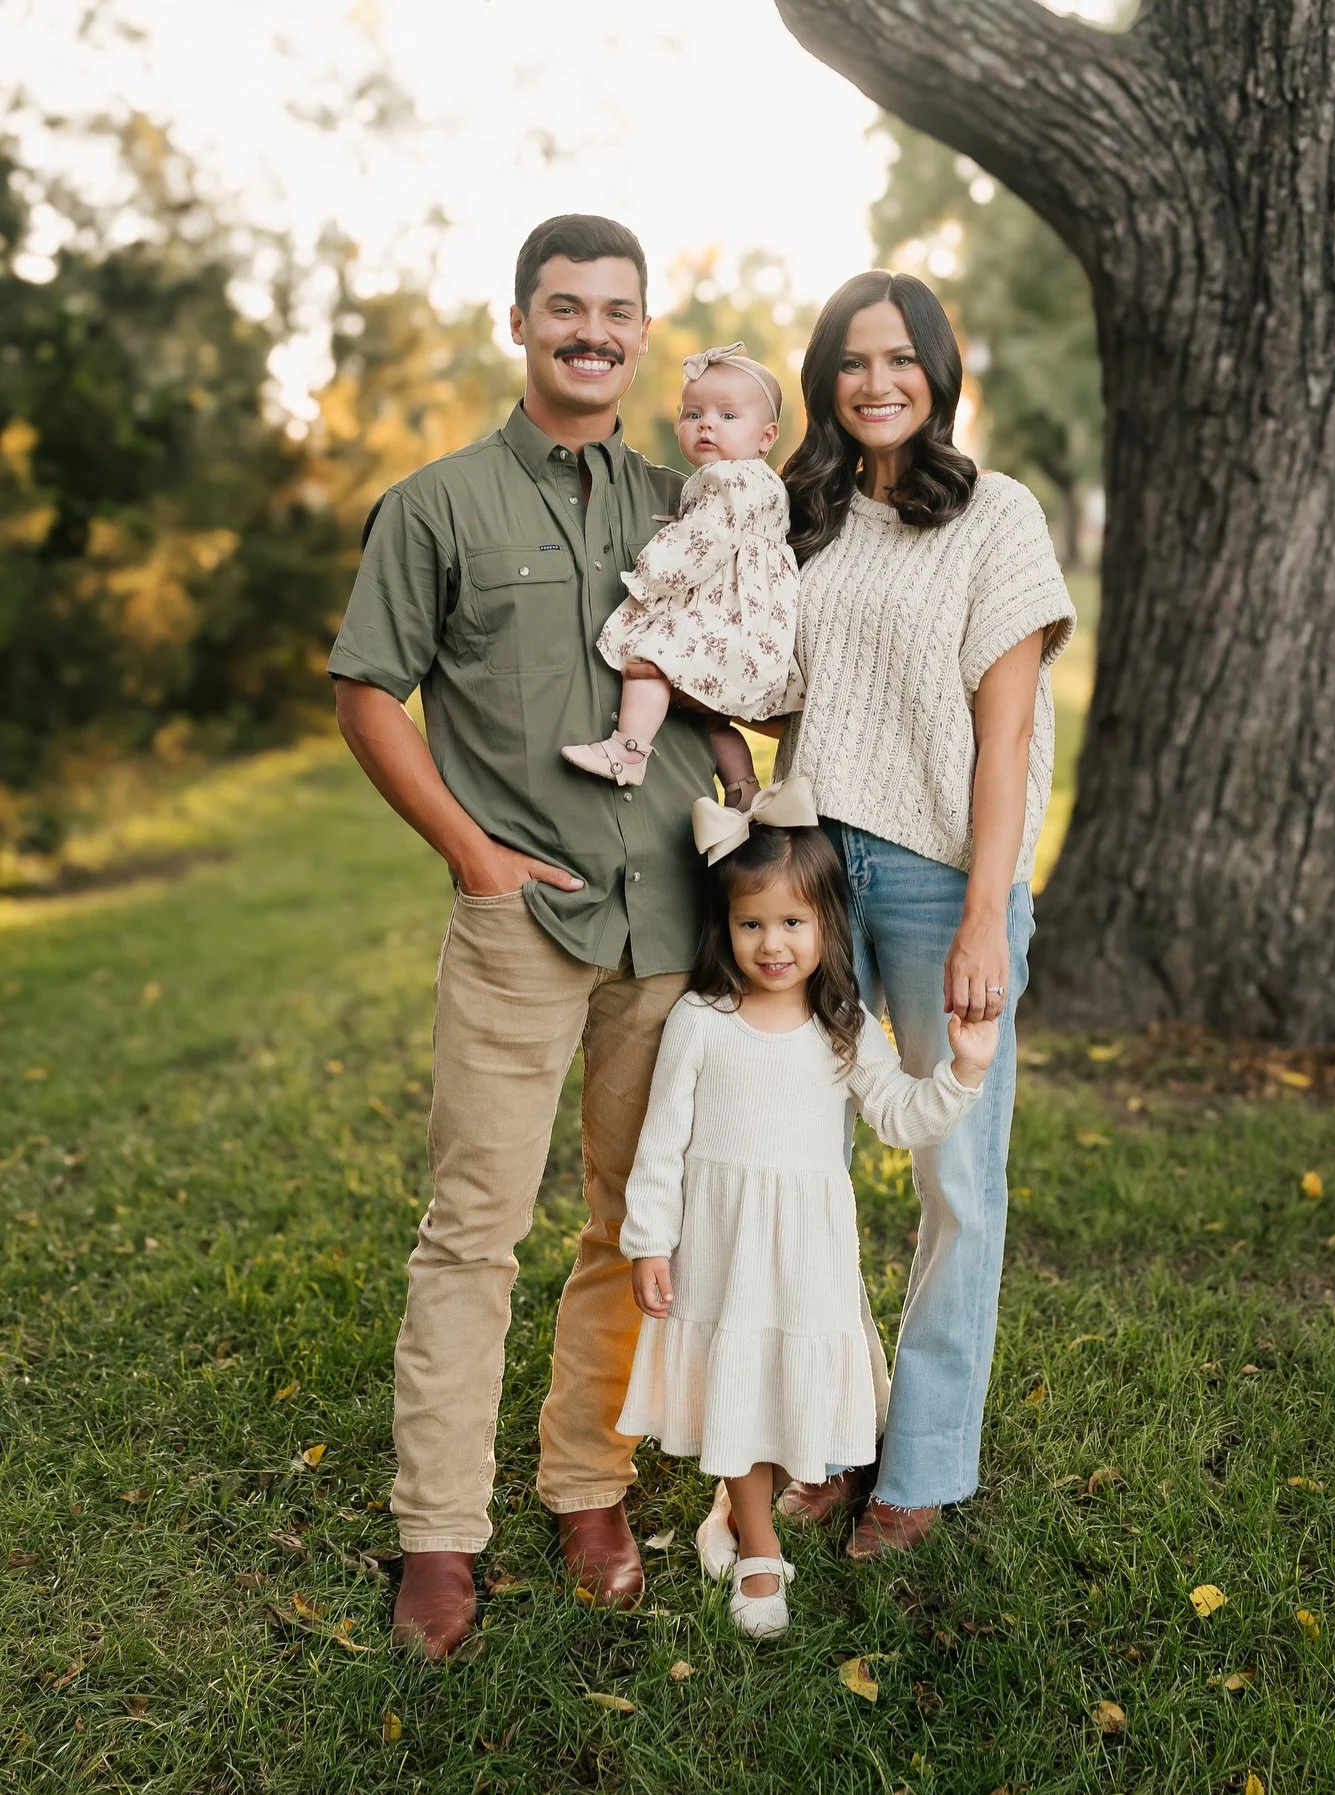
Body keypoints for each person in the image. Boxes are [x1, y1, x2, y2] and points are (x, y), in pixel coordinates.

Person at [327, 214, 717, 1659]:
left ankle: (588, 1483)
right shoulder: (434, 506)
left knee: (631, 1220)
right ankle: (440, 1531)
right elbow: (371, 691)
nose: (592, 332)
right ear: (520, 322)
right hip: (521, 924)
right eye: (566, 308)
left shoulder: (693, 505)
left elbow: (742, 646)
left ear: (643, 327)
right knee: (472, 1232)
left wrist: (729, 749)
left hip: (669, 916)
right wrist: (475, 854)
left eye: (618, 310)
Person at [772, 270, 1076, 1556]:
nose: (877, 380)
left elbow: (1002, 738)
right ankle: (835, 1436)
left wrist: (982, 917)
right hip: (810, 877)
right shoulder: (806, 515)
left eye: (901, 358)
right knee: (807, 1169)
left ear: (940, 372)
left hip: (944, 878)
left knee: (958, 1176)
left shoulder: (997, 516)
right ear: (825, 380)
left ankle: (927, 1461)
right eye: (852, 360)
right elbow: (777, 694)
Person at [615, 781, 998, 1636]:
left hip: (807, 1253)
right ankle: (757, 1546)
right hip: (722, 1245)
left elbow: (901, 1116)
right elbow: (660, 1145)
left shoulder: (844, 1025)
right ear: (726, 927)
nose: (773, 943)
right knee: (737, 1386)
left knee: (784, 1383)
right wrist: (648, 1241)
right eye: (752, 923)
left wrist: (964, 1069)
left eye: (794, 923)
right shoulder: (701, 1022)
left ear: (829, 927)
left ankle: (742, 1508)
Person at [562, 342, 803, 808]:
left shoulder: (732, 479)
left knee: (652, 657)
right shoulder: (760, 480)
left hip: (728, 617)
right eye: (693, 414)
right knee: (712, 721)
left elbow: (704, 540)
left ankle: (628, 751)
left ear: (767, 436)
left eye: (727, 416)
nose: (706, 424)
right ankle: (743, 791)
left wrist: (652, 576)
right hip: (751, 625)